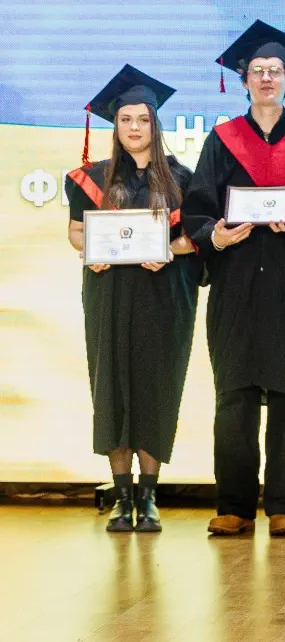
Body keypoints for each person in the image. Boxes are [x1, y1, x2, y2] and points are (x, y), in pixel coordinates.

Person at [183, 21, 285, 538]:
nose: (267, 78)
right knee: (234, 393)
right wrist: (215, 236)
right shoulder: (222, 141)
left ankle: (283, 505)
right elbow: (198, 209)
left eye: (275, 71)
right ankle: (233, 504)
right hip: (235, 283)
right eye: (258, 71)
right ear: (245, 80)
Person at [65, 66, 199, 532]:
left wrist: (170, 250)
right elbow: (76, 231)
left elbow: (194, 239)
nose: (134, 127)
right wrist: (91, 252)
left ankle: (150, 497)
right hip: (109, 294)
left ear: (154, 125)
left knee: (155, 388)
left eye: (143, 119)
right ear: (116, 126)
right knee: (112, 387)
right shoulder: (91, 179)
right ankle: (122, 498)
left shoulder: (182, 179)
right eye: (126, 120)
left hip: (163, 296)